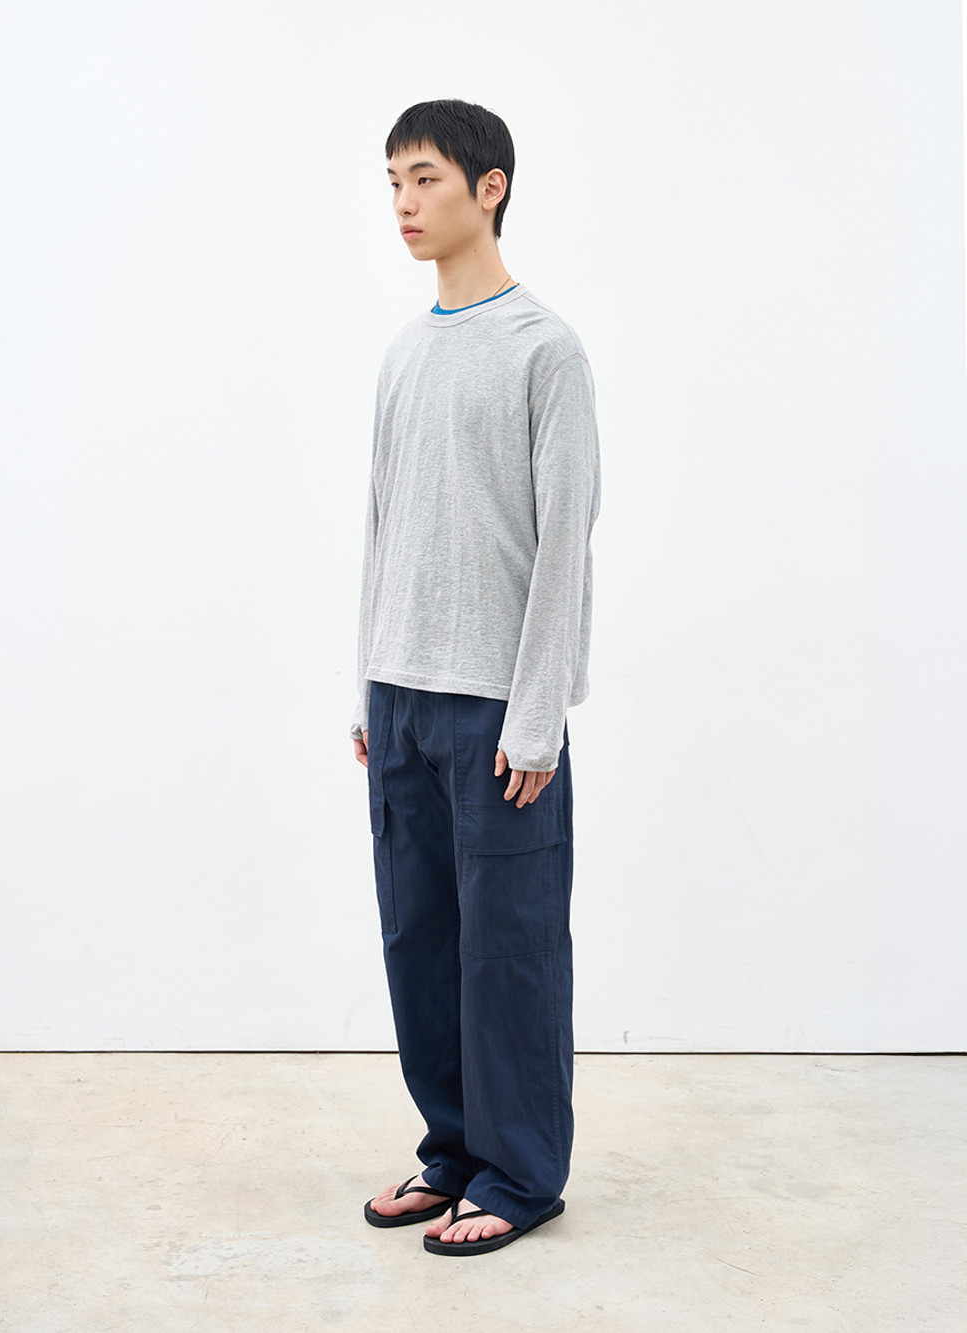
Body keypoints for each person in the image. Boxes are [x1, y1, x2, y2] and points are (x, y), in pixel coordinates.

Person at [349, 98, 602, 1256]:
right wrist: (366, 688)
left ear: (488, 186)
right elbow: (381, 526)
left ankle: (520, 1174)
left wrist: (537, 716)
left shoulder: (545, 349)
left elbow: (564, 545)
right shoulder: (405, 352)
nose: (405, 204)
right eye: (394, 182)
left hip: (498, 708)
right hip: (400, 701)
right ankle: (452, 1151)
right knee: (420, 944)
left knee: (509, 951)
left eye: (426, 179)